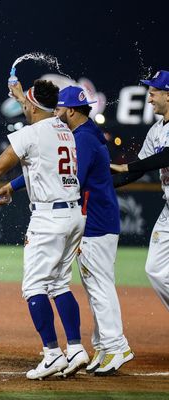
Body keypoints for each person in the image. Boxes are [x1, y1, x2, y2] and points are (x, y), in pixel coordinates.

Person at [0, 86, 133, 376]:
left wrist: (13, 185)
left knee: (98, 286)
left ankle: (116, 346)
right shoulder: (88, 133)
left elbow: (66, 177)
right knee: (81, 285)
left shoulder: (81, 139)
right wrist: (23, 99)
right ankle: (103, 347)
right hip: (94, 217)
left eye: (59, 109)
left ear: (70, 111)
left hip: (95, 220)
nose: (56, 114)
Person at [0, 79, 85, 380]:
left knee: (33, 287)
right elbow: (35, 108)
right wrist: (18, 91)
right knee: (58, 285)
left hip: (49, 218)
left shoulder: (30, 133)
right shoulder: (63, 128)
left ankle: (53, 354)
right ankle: (77, 348)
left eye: (24, 104)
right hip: (73, 214)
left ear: (31, 106)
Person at [112, 70, 169, 312]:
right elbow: (137, 170)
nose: (149, 98)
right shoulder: (156, 129)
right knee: (155, 269)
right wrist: (104, 184)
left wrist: (127, 165)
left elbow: (166, 156)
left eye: (153, 93)